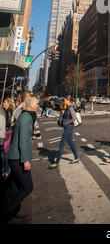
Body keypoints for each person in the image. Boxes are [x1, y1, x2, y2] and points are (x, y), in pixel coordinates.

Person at [0, 94, 39, 224]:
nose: (38, 105)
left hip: (15, 157)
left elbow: (22, 136)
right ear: (31, 104)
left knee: (14, 187)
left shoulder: (25, 116)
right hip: (18, 158)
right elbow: (22, 141)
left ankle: (8, 209)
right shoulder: (26, 117)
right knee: (27, 187)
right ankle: (7, 213)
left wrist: (30, 135)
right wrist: (25, 160)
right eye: (36, 103)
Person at [48, 95, 79, 169]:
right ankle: (76, 157)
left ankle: (56, 163)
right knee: (71, 142)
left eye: (65, 100)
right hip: (68, 127)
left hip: (69, 127)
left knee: (62, 144)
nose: (64, 102)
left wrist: (67, 122)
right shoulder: (68, 107)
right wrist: (63, 112)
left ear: (69, 101)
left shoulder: (71, 107)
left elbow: (74, 118)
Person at [2, 98, 15, 179]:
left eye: (5, 102)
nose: (3, 103)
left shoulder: (8, 111)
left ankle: (6, 170)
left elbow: (9, 122)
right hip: (6, 132)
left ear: (8, 103)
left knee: (5, 151)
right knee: (5, 151)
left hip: (7, 133)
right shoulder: (6, 110)